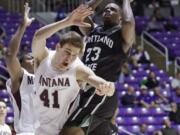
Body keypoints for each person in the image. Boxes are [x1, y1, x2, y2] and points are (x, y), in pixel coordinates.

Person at [32, 5, 115, 135]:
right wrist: (67, 22)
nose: (69, 58)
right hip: (37, 128)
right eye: (67, 52)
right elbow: (38, 37)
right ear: (58, 47)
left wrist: (107, 88)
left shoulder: (77, 68)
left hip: (63, 130)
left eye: (74, 55)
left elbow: (96, 80)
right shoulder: (43, 58)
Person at [61, 0, 135, 135]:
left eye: (113, 10)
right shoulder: (94, 29)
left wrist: (126, 2)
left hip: (100, 91)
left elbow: (128, 22)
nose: (108, 11)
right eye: (106, 9)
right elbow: (80, 13)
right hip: (86, 89)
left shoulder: (122, 35)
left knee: (69, 131)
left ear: (120, 17)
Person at [5, 3, 35, 135]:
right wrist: (23, 26)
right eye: (29, 58)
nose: (34, 59)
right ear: (21, 64)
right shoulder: (20, 77)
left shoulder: (47, 77)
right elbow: (10, 55)